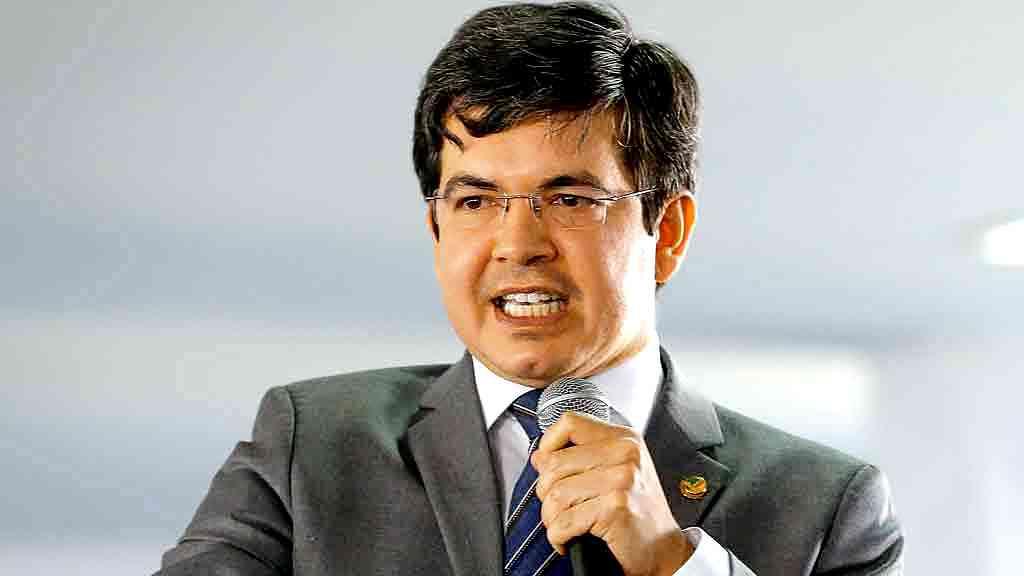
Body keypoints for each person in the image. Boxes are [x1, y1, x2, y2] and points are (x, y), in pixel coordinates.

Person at [157, 2, 903, 575]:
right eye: (475, 200)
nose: (518, 244)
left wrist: (673, 562)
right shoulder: (311, 445)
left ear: (668, 231)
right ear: (436, 229)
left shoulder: (825, 507)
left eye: (570, 198)